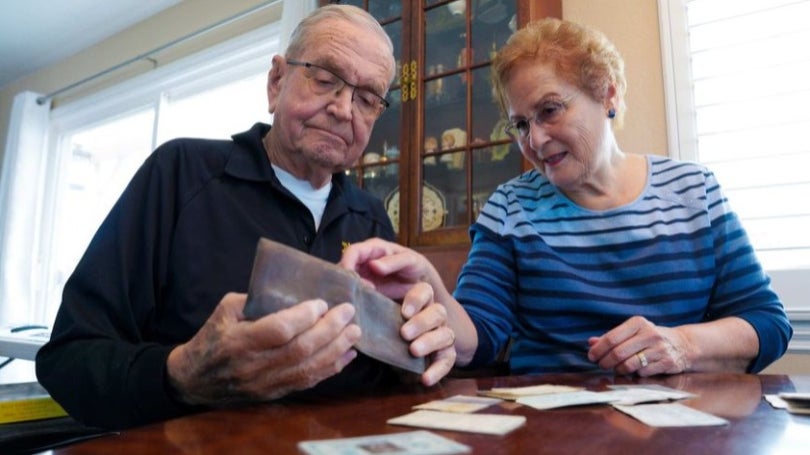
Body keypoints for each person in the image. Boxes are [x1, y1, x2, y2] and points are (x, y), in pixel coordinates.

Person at [35, 5, 455, 430]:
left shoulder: (372, 219)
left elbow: (390, 375)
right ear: (277, 82)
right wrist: (181, 374)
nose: (344, 109)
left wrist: (416, 353)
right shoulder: (180, 174)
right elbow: (68, 360)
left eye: (367, 99)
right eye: (326, 79)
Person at [340, 18, 792, 378]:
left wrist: (683, 345)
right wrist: (432, 289)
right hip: (551, 432)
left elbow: (767, 324)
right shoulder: (510, 209)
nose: (534, 140)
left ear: (607, 94)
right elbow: (479, 338)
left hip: (683, 431)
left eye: (550, 110)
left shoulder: (696, 192)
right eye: (520, 124)